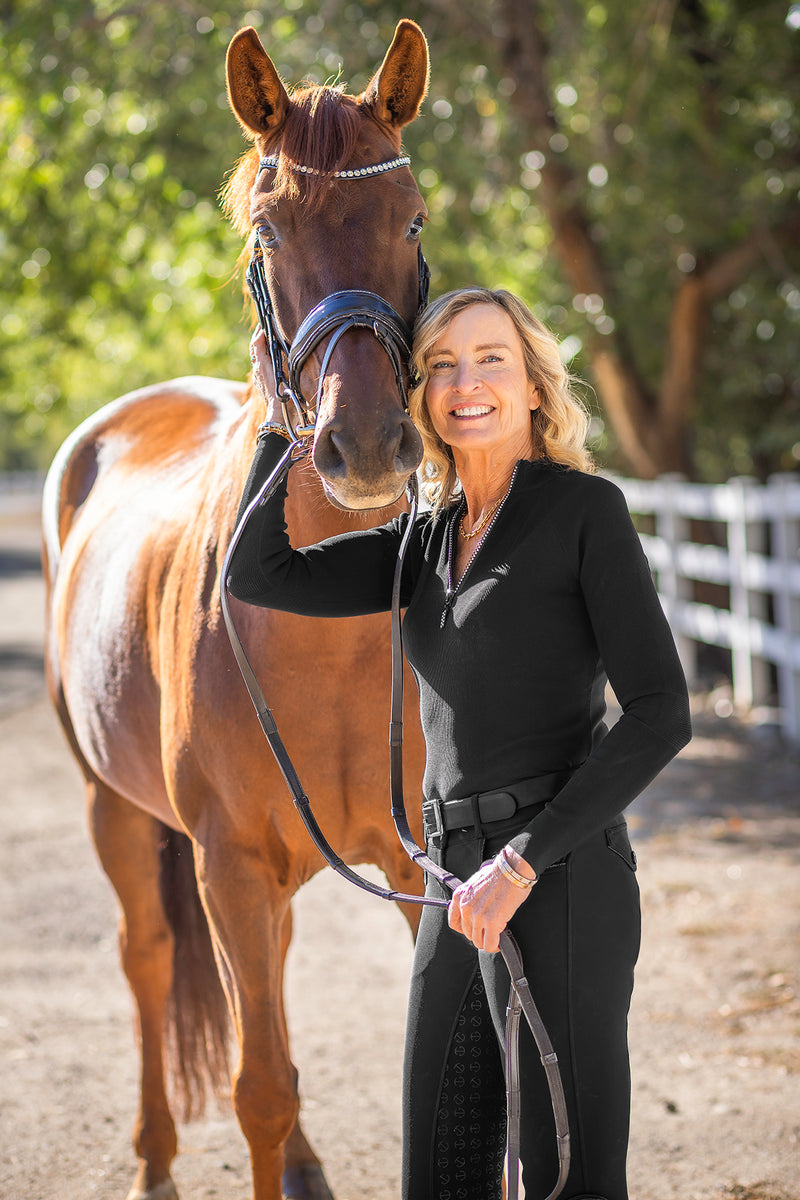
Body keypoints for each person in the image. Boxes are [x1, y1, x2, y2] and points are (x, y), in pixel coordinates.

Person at [227, 286, 692, 1200]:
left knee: (569, 1177)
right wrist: (283, 420)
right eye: (440, 364)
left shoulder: (584, 513)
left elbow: (660, 711)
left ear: (531, 387)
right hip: (450, 882)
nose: (464, 382)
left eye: (491, 360)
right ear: (419, 396)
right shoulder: (422, 541)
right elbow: (258, 569)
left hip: (556, 880)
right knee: (438, 1170)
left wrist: (522, 862)